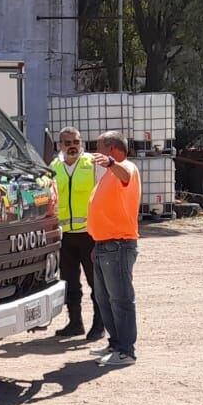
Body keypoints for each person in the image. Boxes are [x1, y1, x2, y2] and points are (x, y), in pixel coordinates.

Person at [86, 130, 141, 367]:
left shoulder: (125, 167)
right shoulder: (109, 174)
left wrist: (111, 164)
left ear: (111, 149)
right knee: (105, 299)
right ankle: (116, 344)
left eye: (99, 147)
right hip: (103, 245)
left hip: (117, 245)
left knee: (120, 299)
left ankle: (126, 351)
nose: (96, 152)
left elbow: (124, 174)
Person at [50, 127, 105, 340]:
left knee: (96, 282)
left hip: (89, 234)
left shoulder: (92, 164)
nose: (72, 145)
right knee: (69, 282)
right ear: (59, 146)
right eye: (67, 142)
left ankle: (99, 325)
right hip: (65, 236)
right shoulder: (54, 167)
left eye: (76, 141)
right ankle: (75, 323)